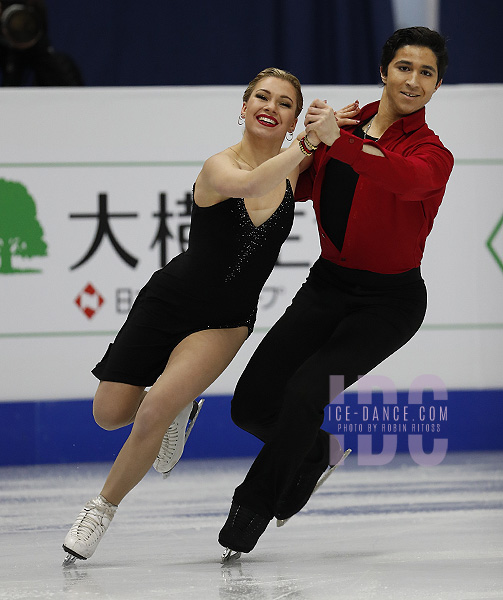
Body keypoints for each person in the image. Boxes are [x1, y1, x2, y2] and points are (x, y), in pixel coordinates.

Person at [61, 67, 358, 565]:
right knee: (110, 414)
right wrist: (309, 141)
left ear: (291, 119)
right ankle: (180, 408)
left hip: (225, 319)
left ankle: (100, 509)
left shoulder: (298, 163)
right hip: (169, 302)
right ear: (242, 108)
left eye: (285, 102)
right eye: (261, 97)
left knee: (152, 412)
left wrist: (339, 126)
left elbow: (360, 143)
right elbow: (254, 181)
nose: (271, 106)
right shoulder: (221, 166)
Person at [218, 27, 454, 559]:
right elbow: (295, 189)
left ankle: (247, 515)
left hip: (389, 303)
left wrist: (338, 141)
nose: (412, 80)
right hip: (326, 286)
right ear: (383, 70)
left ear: (438, 85)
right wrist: (305, 142)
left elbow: (403, 179)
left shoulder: (431, 153)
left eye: (426, 73)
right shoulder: (342, 125)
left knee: (305, 391)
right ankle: (318, 451)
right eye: (403, 67)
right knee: (251, 405)